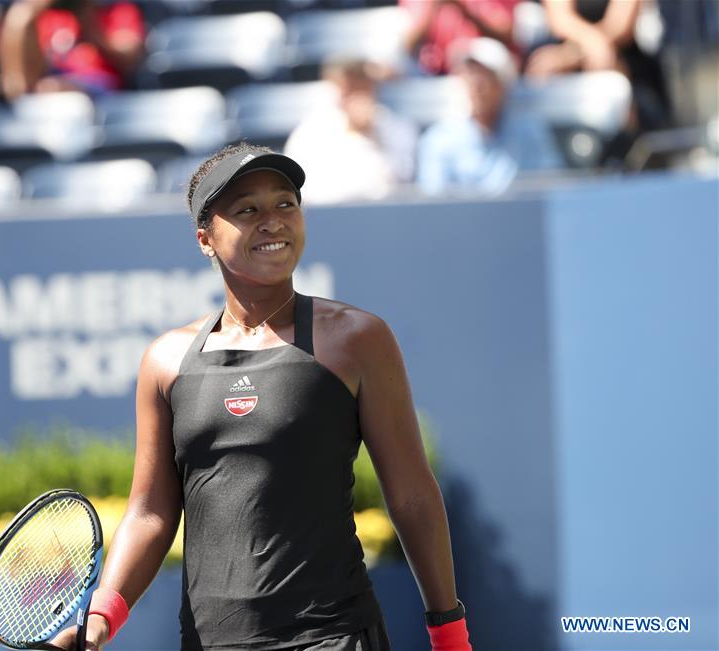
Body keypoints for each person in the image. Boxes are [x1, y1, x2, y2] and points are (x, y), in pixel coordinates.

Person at [51, 142, 473, 650]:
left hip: (333, 636)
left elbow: (411, 494)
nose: (272, 222)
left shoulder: (358, 339)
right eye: (247, 210)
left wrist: (451, 636)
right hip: (209, 641)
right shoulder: (165, 360)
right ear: (205, 239)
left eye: (285, 203)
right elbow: (150, 513)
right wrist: (100, 620)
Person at [417, 37, 563, 196]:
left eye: (485, 76)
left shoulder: (530, 133)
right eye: (470, 74)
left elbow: (549, 188)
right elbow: (435, 202)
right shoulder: (440, 139)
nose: (476, 85)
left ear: (503, 84)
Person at [284, 58, 417, 204]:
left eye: (361, 85)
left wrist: (372, 134)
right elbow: (302, 189)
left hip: (386, 211)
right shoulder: (309, 131)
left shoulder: (396, 127)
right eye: (347, 87)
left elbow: (403, 179)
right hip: (329, 213)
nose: (354, 95)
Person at [525, 0, 670, 131]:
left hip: (627, 65)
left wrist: (569, 56)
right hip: (567, 66)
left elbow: (621, 27)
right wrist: (590, 46)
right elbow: (559, 19)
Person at [0, 0, 146, 100]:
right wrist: (25, 15)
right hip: (51, 81)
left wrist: (87, 19)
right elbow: (30, 73)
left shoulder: (117, 9)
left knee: (53, 89)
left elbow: (130, 57)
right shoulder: (48, 15)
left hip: (100, 84)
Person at [401, 0, 519, 75]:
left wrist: (463, 8)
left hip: (481, 72)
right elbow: (407, 45)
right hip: (432, 72)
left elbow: (506, 34)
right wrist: (431, 7)